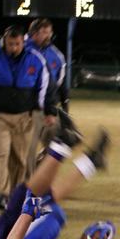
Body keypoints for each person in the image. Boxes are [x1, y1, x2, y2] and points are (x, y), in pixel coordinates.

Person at [0, 24, 57, 211]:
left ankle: (15, 194)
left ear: (23, 42)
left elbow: (46, 86)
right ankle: (0, 194)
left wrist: (49, 111)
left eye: (17, 44)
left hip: (24, 117)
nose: (14, 48)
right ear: (4, 41)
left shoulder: (36, 59)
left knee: (20, 159)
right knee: (1, 152)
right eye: (10, 44)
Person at [24, 18, 69, 177]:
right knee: (28, 148)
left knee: (57, 146)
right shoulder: (23, 49)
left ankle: (38, 173)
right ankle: (28, 183)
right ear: (33, 33)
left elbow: (60, 83)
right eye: (44, 32)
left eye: (49, 32)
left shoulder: (56, 55)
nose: (48, 35)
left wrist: (65, 106)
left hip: (49, 108)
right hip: (28, 108)